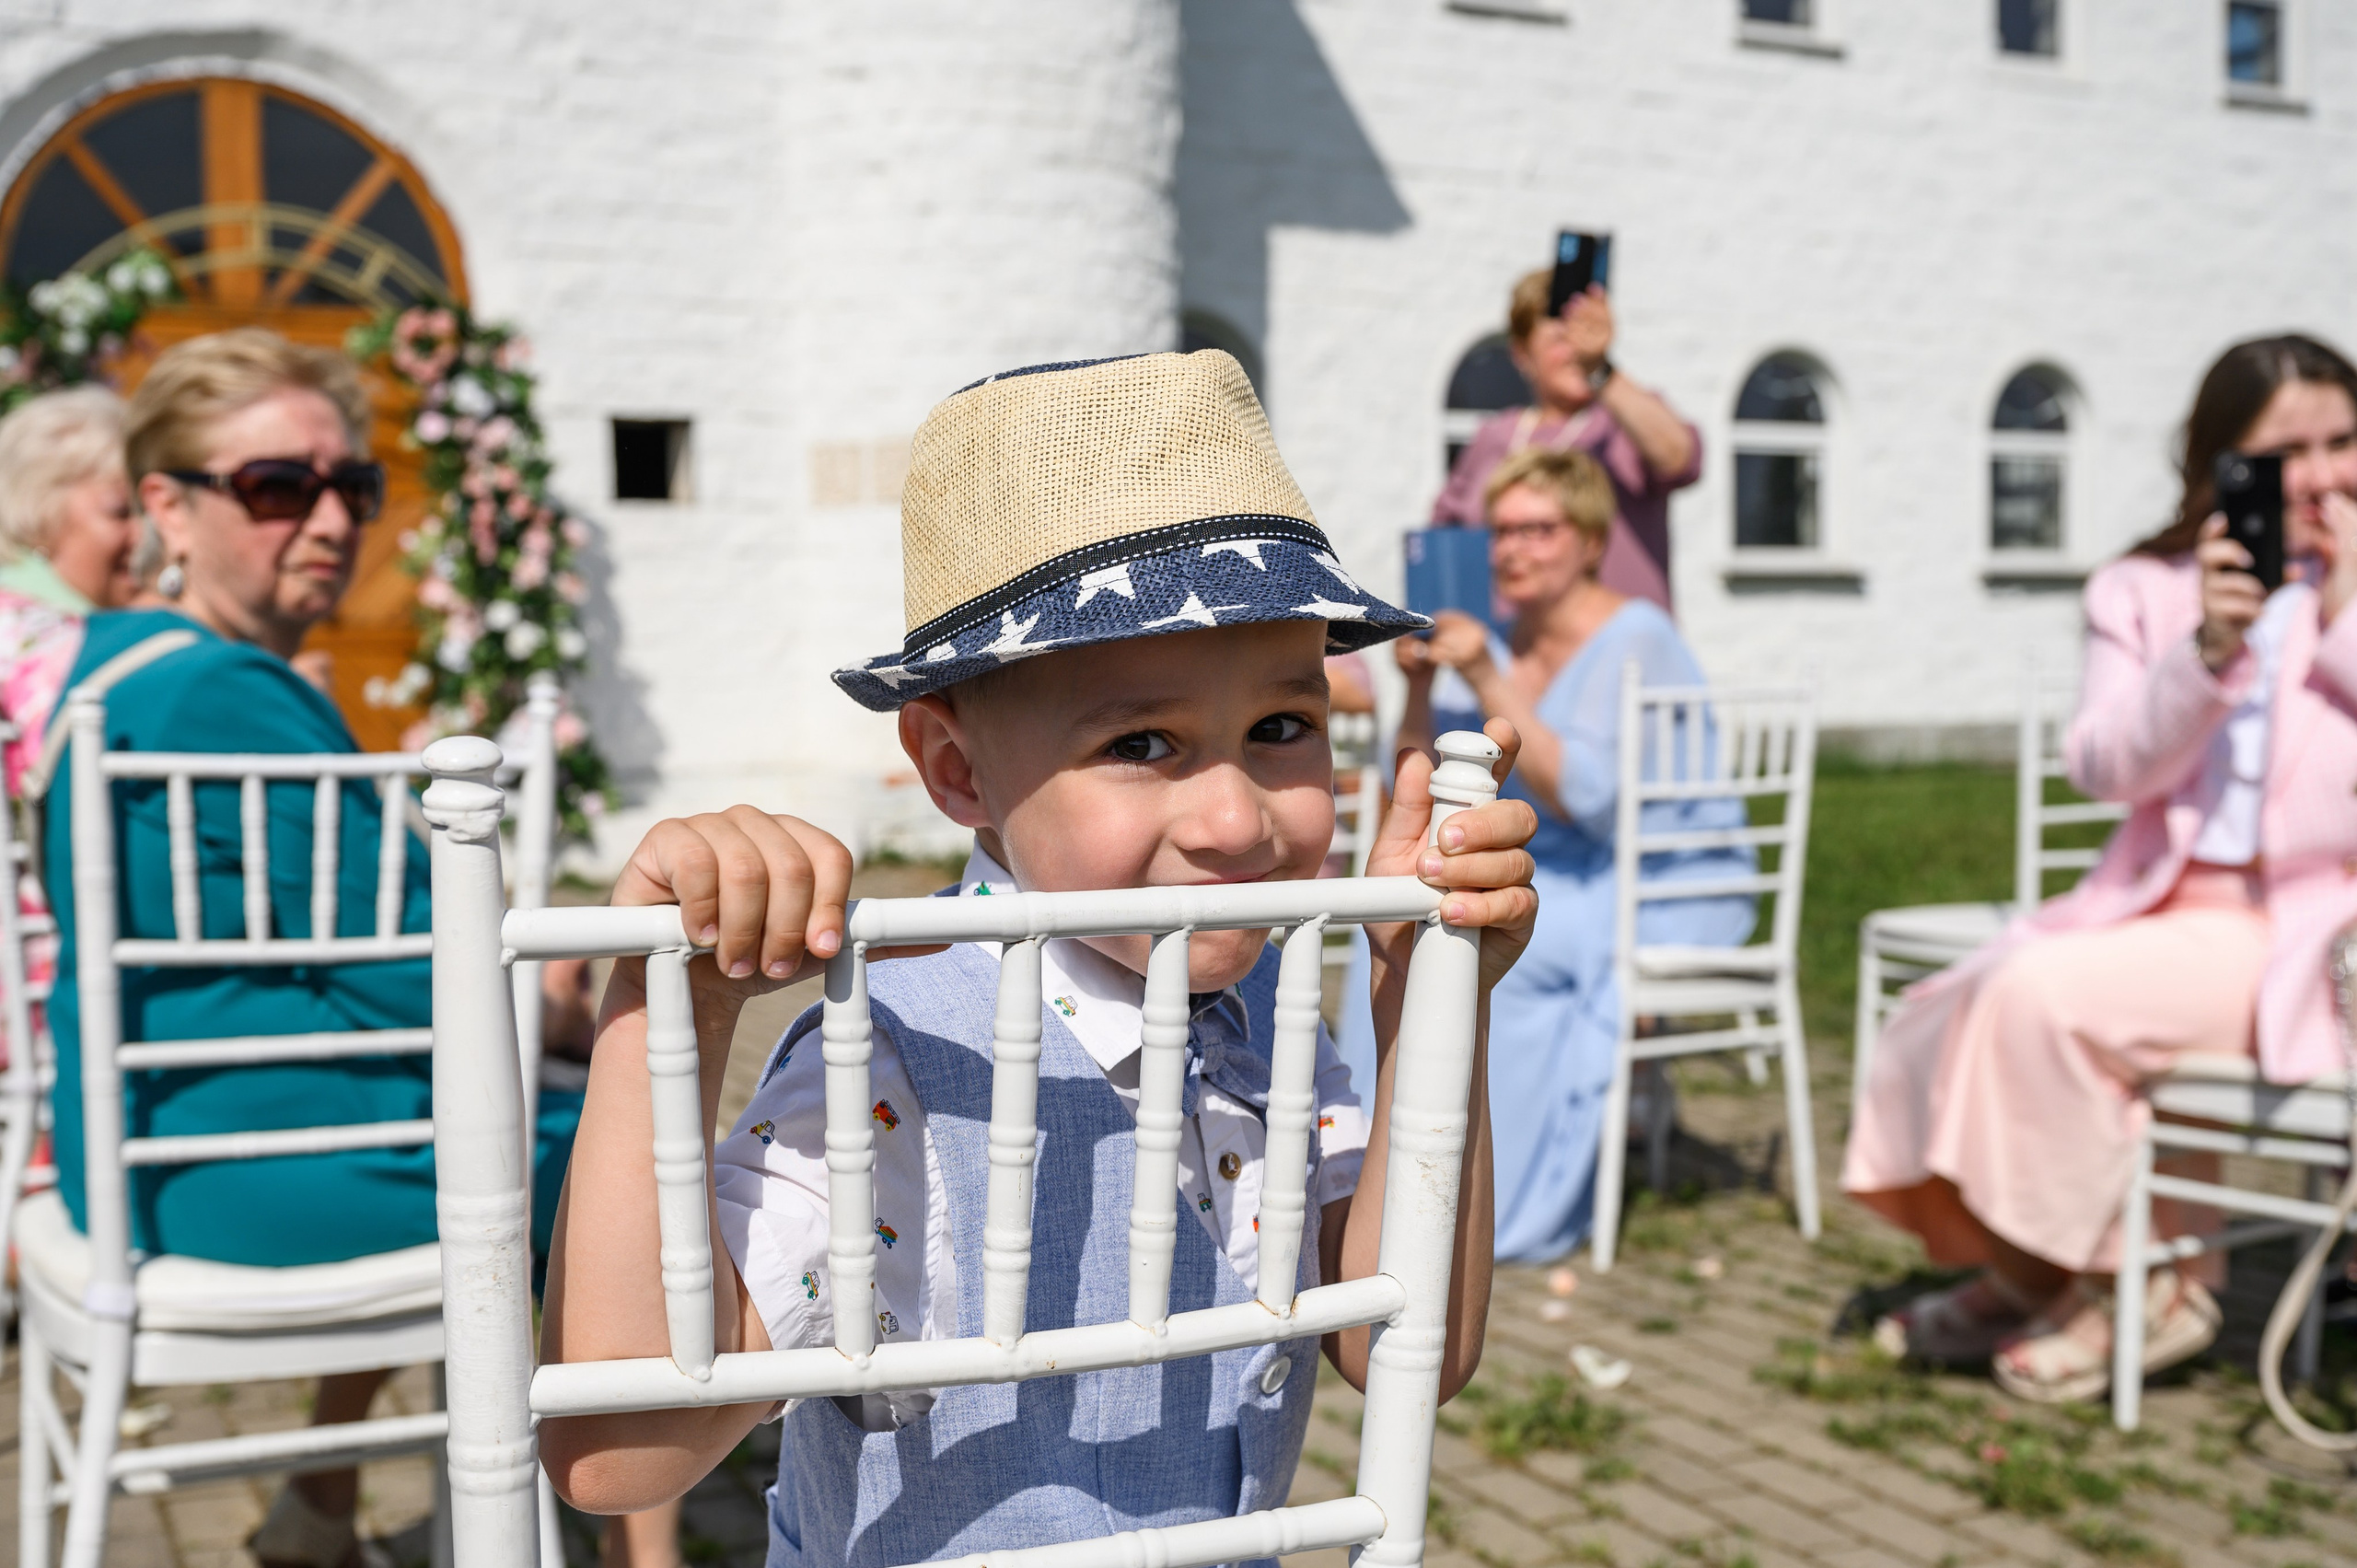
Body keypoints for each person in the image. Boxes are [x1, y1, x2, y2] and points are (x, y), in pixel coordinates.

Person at [538, 350, 1540, 1563]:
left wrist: (1425, 1005)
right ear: (958, 771)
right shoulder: (902, 1062)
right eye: (1143, 739)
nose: (1236, 817)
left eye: (1282, 726)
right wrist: (668, 1008)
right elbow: (615, 1453)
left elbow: (1402, 1346)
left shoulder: (1262, 1002)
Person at [31, 330, 592, 1567]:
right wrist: (568, 999)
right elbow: (437, 974)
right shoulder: (229, 694)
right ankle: (631, 1536)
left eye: (354, 486)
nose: (332, 518)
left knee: (480, 1123)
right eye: (280, 486)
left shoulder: (112, 666)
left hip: (141, 1145)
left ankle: (319, 1502)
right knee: (625, 1139)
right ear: (167, 506)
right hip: (241, 1168)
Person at [1844, 333, 2357, 1405]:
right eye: (2284, 451)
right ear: (2223, 464)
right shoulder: (2148, 586)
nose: (2317, 477)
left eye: (2342, 441)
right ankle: (2037, 1270)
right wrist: (2210, 651)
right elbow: (2104, 769)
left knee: (2038, 999)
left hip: (2311, 928)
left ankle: (2160, 1279)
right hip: (2162, 905)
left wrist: (2345, 618)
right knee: (1940, 1008)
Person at [1397, 447, 1753, 1263]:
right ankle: (1397, 1181)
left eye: (1539, 529)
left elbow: (1591, 802)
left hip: (1655, 875)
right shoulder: (1504, 637)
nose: (1512, 549)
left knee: (1485, 934)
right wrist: (1417, 687)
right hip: (1559, 864)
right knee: (1396, 919)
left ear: (1591, 540)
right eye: (1502, 530)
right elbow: (1418, 782)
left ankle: (1490, 1211)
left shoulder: (1636, 633)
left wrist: (1487, 674)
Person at [1431, 268, 1701, 613]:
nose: (1576, 351)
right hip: (1517, 657)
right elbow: (1443, 540)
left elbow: (1680, 458)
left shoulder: (1620, 421)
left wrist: (1601, 370)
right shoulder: (1494, 437)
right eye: (1560, 339)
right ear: (1522, 354)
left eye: (1584, 335)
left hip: (1619, 653)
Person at [0, 384, 140, 785]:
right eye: (121, 512)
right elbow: (72, 767)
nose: (146, 535)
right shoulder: (27, 628)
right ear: (39, 512)